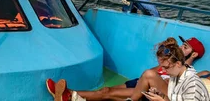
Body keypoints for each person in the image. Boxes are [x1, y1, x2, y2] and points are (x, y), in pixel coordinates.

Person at [46, 36, 206, 101]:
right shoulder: (175, 69)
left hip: (151, 86)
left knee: (108, 94)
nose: (180, 47)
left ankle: (70, 95)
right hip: (145, 84)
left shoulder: (189, 76)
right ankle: (70, 95)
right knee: (107, 91)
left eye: (185, 47)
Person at [143, 40, 209, 101]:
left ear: (178, 64)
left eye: (166, 67)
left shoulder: (193, 84)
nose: (163, 70)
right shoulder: (175, 77)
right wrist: (161, 95)